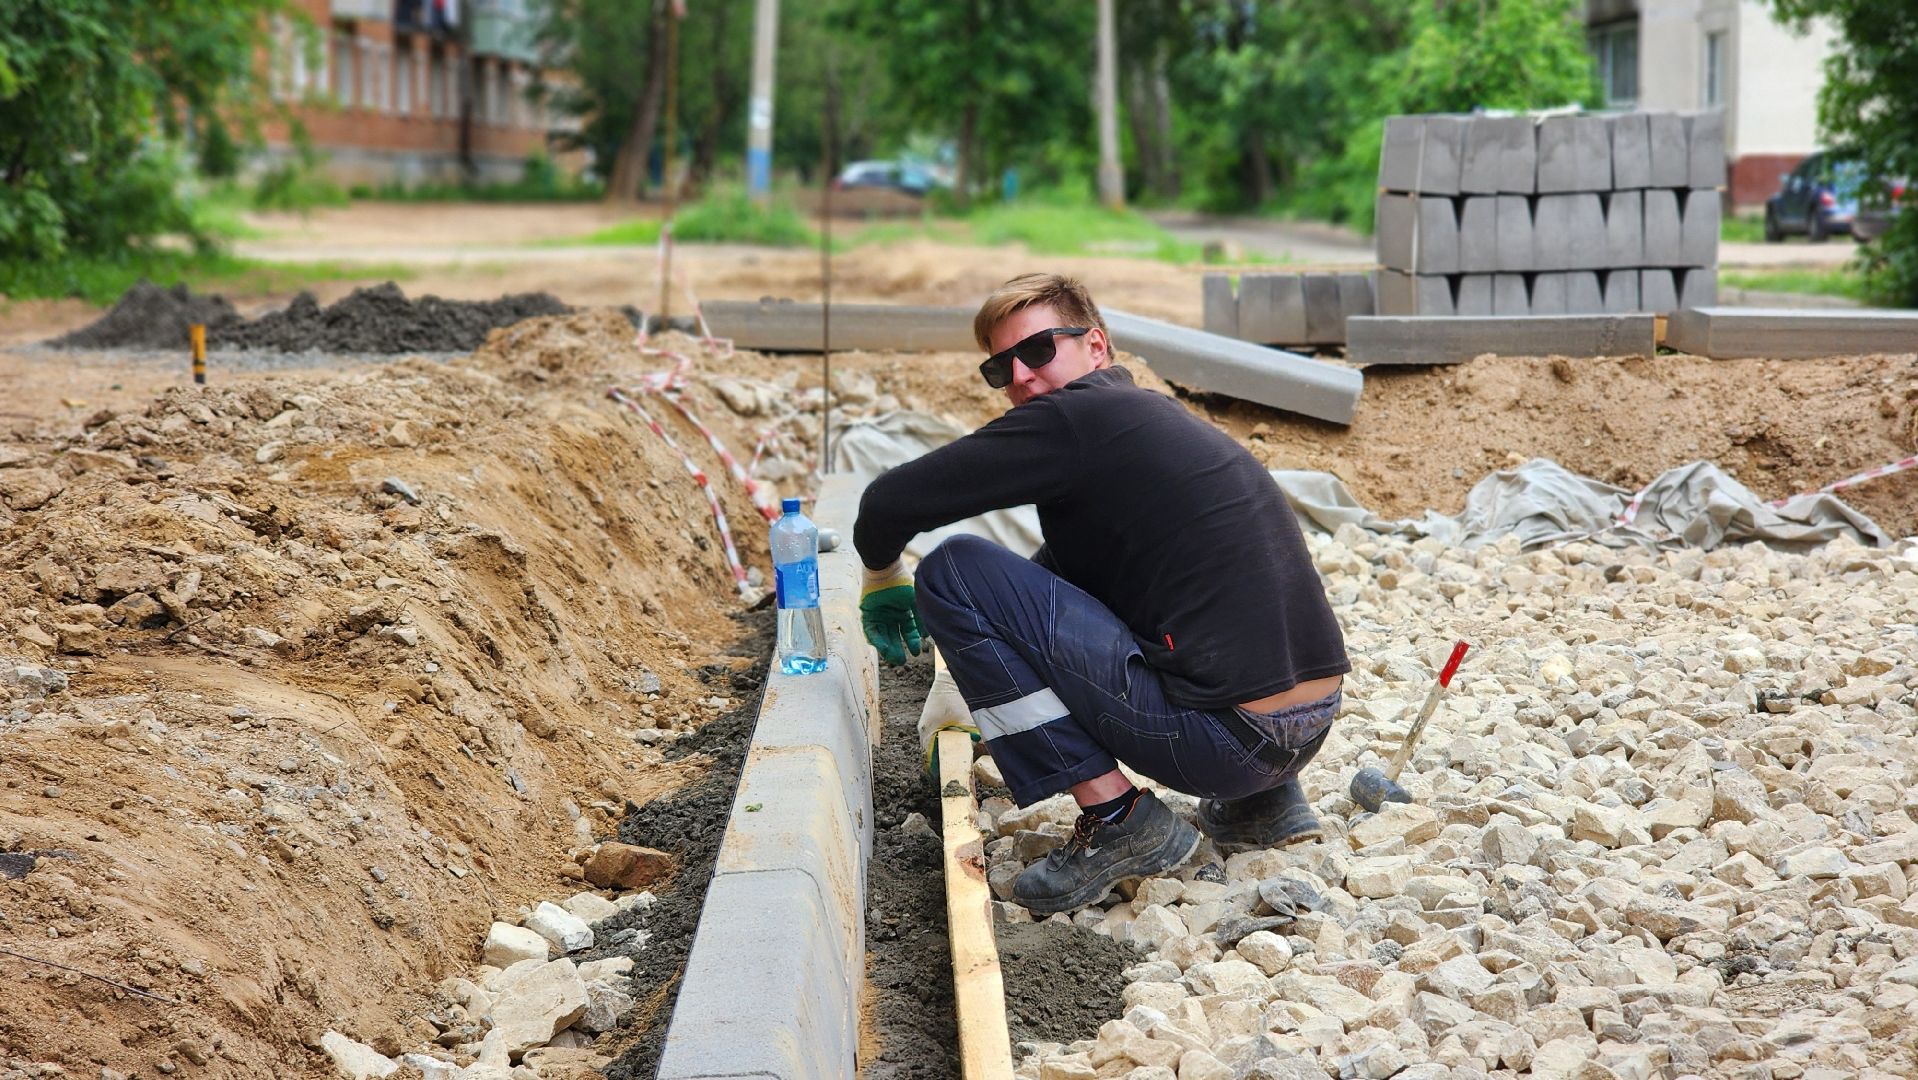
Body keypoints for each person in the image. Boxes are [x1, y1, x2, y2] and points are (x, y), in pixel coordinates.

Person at [853, 273, 1349, 914]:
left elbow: (889, 502)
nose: (1021, 378)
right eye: (999, 368)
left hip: (1223, 744)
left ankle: (1118, 818)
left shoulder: (1073, 421)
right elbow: (1049, 589)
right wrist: (973, 691)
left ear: (1096, 345)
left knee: (951, 570)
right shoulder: (1143, 423)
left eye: (1036, 351)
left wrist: (882, 572)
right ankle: (1261, 804)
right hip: (1303, 735)